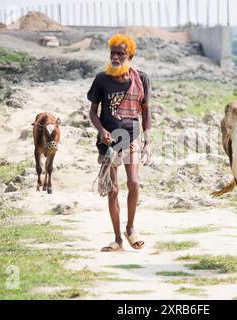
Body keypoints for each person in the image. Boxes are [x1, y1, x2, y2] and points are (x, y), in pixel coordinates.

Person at [87, 34, 151, 252]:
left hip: (132, 138)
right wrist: (102, 130)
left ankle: (130, 228)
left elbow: (146, 111)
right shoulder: (101, 79)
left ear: (130, 55)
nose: (115, 57)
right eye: (112, 53)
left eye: (120, 53)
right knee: (113, 190)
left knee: (133, 182)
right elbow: (93, 112)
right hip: (108, 143)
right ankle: (118, 240)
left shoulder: (141, 79)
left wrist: (148, 141)